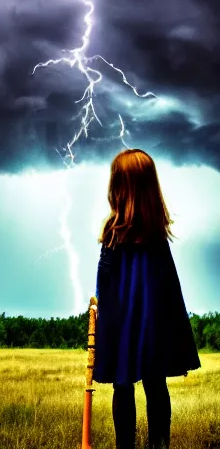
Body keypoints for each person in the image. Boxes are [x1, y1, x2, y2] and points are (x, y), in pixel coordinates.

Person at [92, 149, 201, 449]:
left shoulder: (113, 232)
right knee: (155, 385)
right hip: (153, 324)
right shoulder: (156, 235)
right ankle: (159, 446)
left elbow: (104, 282)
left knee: (123, 385)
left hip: (122, 323)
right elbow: (168, 286)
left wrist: (101, 313)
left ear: (119, 187)